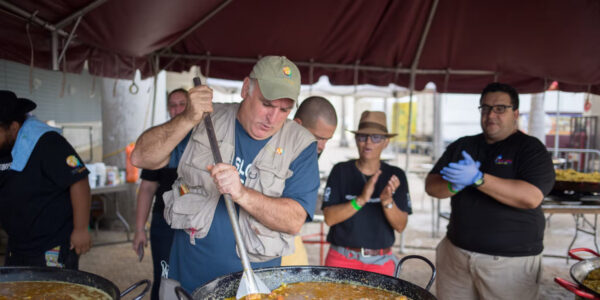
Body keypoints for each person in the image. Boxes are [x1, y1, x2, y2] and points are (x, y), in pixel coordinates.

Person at [131, 56, 320, 292]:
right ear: (245, 89)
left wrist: (241, 193)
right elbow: (141, 157)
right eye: (267, 104)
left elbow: (294, 221)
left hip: (252, 290)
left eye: (284, 109)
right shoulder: (205, 121)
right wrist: (187, 117)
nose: (273, 118)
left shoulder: (300, 145)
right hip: (185, 283)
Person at [425, 82, 555, 300]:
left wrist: (478, 179)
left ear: (515, 113)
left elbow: (531, 197)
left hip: (509, 263)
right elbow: (431, 185)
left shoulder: (530, 149)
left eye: (500, 108)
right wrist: (453, 185)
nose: (491, 115)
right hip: (456, 256)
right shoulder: (463, 145)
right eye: (485, 108)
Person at [0, 90, 91, 269]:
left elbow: (79, 180)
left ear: (14, 127)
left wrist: (81, 229)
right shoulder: (3, 147)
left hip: (52, 245)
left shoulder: (48, 143)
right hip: (17, 245)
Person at [321, 111, 411, 276]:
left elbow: (400, 226)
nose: (368, 142)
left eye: (376, 137)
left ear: (386, 142)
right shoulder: (341, 171)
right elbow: (329, 218)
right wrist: (361, 199)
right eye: (362, 136)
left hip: (380, 261)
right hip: (342, 258)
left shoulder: (395, 175)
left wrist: (387, 201)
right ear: (356, 140)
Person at [131, 88, 190, 300]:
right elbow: (146, 188)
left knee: (193, 278)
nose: (177, 109)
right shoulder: (159, 140)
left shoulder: (202, 137)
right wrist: (139, 229)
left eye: (182, 104)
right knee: (164, 276)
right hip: (164, 222)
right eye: (173, 105)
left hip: (195, 222)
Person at [281, 95, 337, 266]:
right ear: (297, 124)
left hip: (292, 245)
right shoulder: (273, 147)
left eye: (327, 139)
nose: (322, 146)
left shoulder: (309, 154)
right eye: (318, 137)